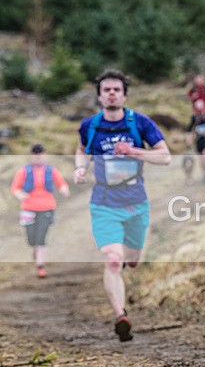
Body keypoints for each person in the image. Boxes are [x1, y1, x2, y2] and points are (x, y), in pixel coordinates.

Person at [74, 69, 171, 342]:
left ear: (124, 94)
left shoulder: (139, 123)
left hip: (136, 203)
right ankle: (121, 315)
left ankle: (127, 269)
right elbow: (81, 149)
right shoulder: (90, 126)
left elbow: (165, 157)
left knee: (132, 260)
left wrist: (135, 151)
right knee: (114, 260)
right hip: (103, 203)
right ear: (100, 96)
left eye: (116, 89)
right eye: (106, 90)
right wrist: (80, 169)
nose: (112, 93)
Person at [9, 143, 70, 278]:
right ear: (31, 157)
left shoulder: (51, 170)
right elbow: (15, 188)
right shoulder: (23, 171)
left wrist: (64, 189)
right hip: (28, 208)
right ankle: (36, 251)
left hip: (47, 207)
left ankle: (40, 266)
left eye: (41, 156)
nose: (38, 159)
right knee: (31, 238)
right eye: (36, 156)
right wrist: (19, 194)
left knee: (41, 237)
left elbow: (62, 183)